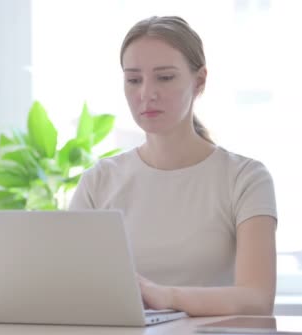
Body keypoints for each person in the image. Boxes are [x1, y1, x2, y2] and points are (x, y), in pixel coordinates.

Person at [69, 16, 277, 317]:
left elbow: (256, 298)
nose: (146, 94)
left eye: (164, 77)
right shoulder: (99, 181)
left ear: (200, 81)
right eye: (134, 79)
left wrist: (163, 296)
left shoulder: (245, 178)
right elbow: (70, 286)